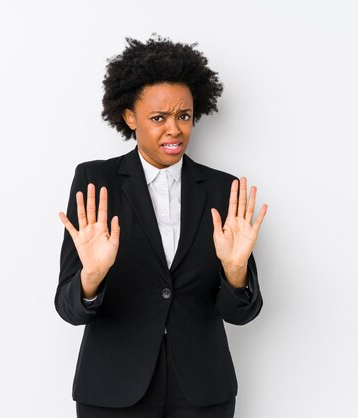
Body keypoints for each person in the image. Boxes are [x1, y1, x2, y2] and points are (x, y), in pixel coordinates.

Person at [55, 35, 267, 418]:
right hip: (113, 389)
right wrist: (92, 276)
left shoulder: (223, 190)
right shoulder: (95, 183)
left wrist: (236, 272)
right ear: (130, 117)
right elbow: (69, 309)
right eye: (158, 118)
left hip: (203, 390)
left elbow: (241, 314)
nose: (175, 129)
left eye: (184, 116)